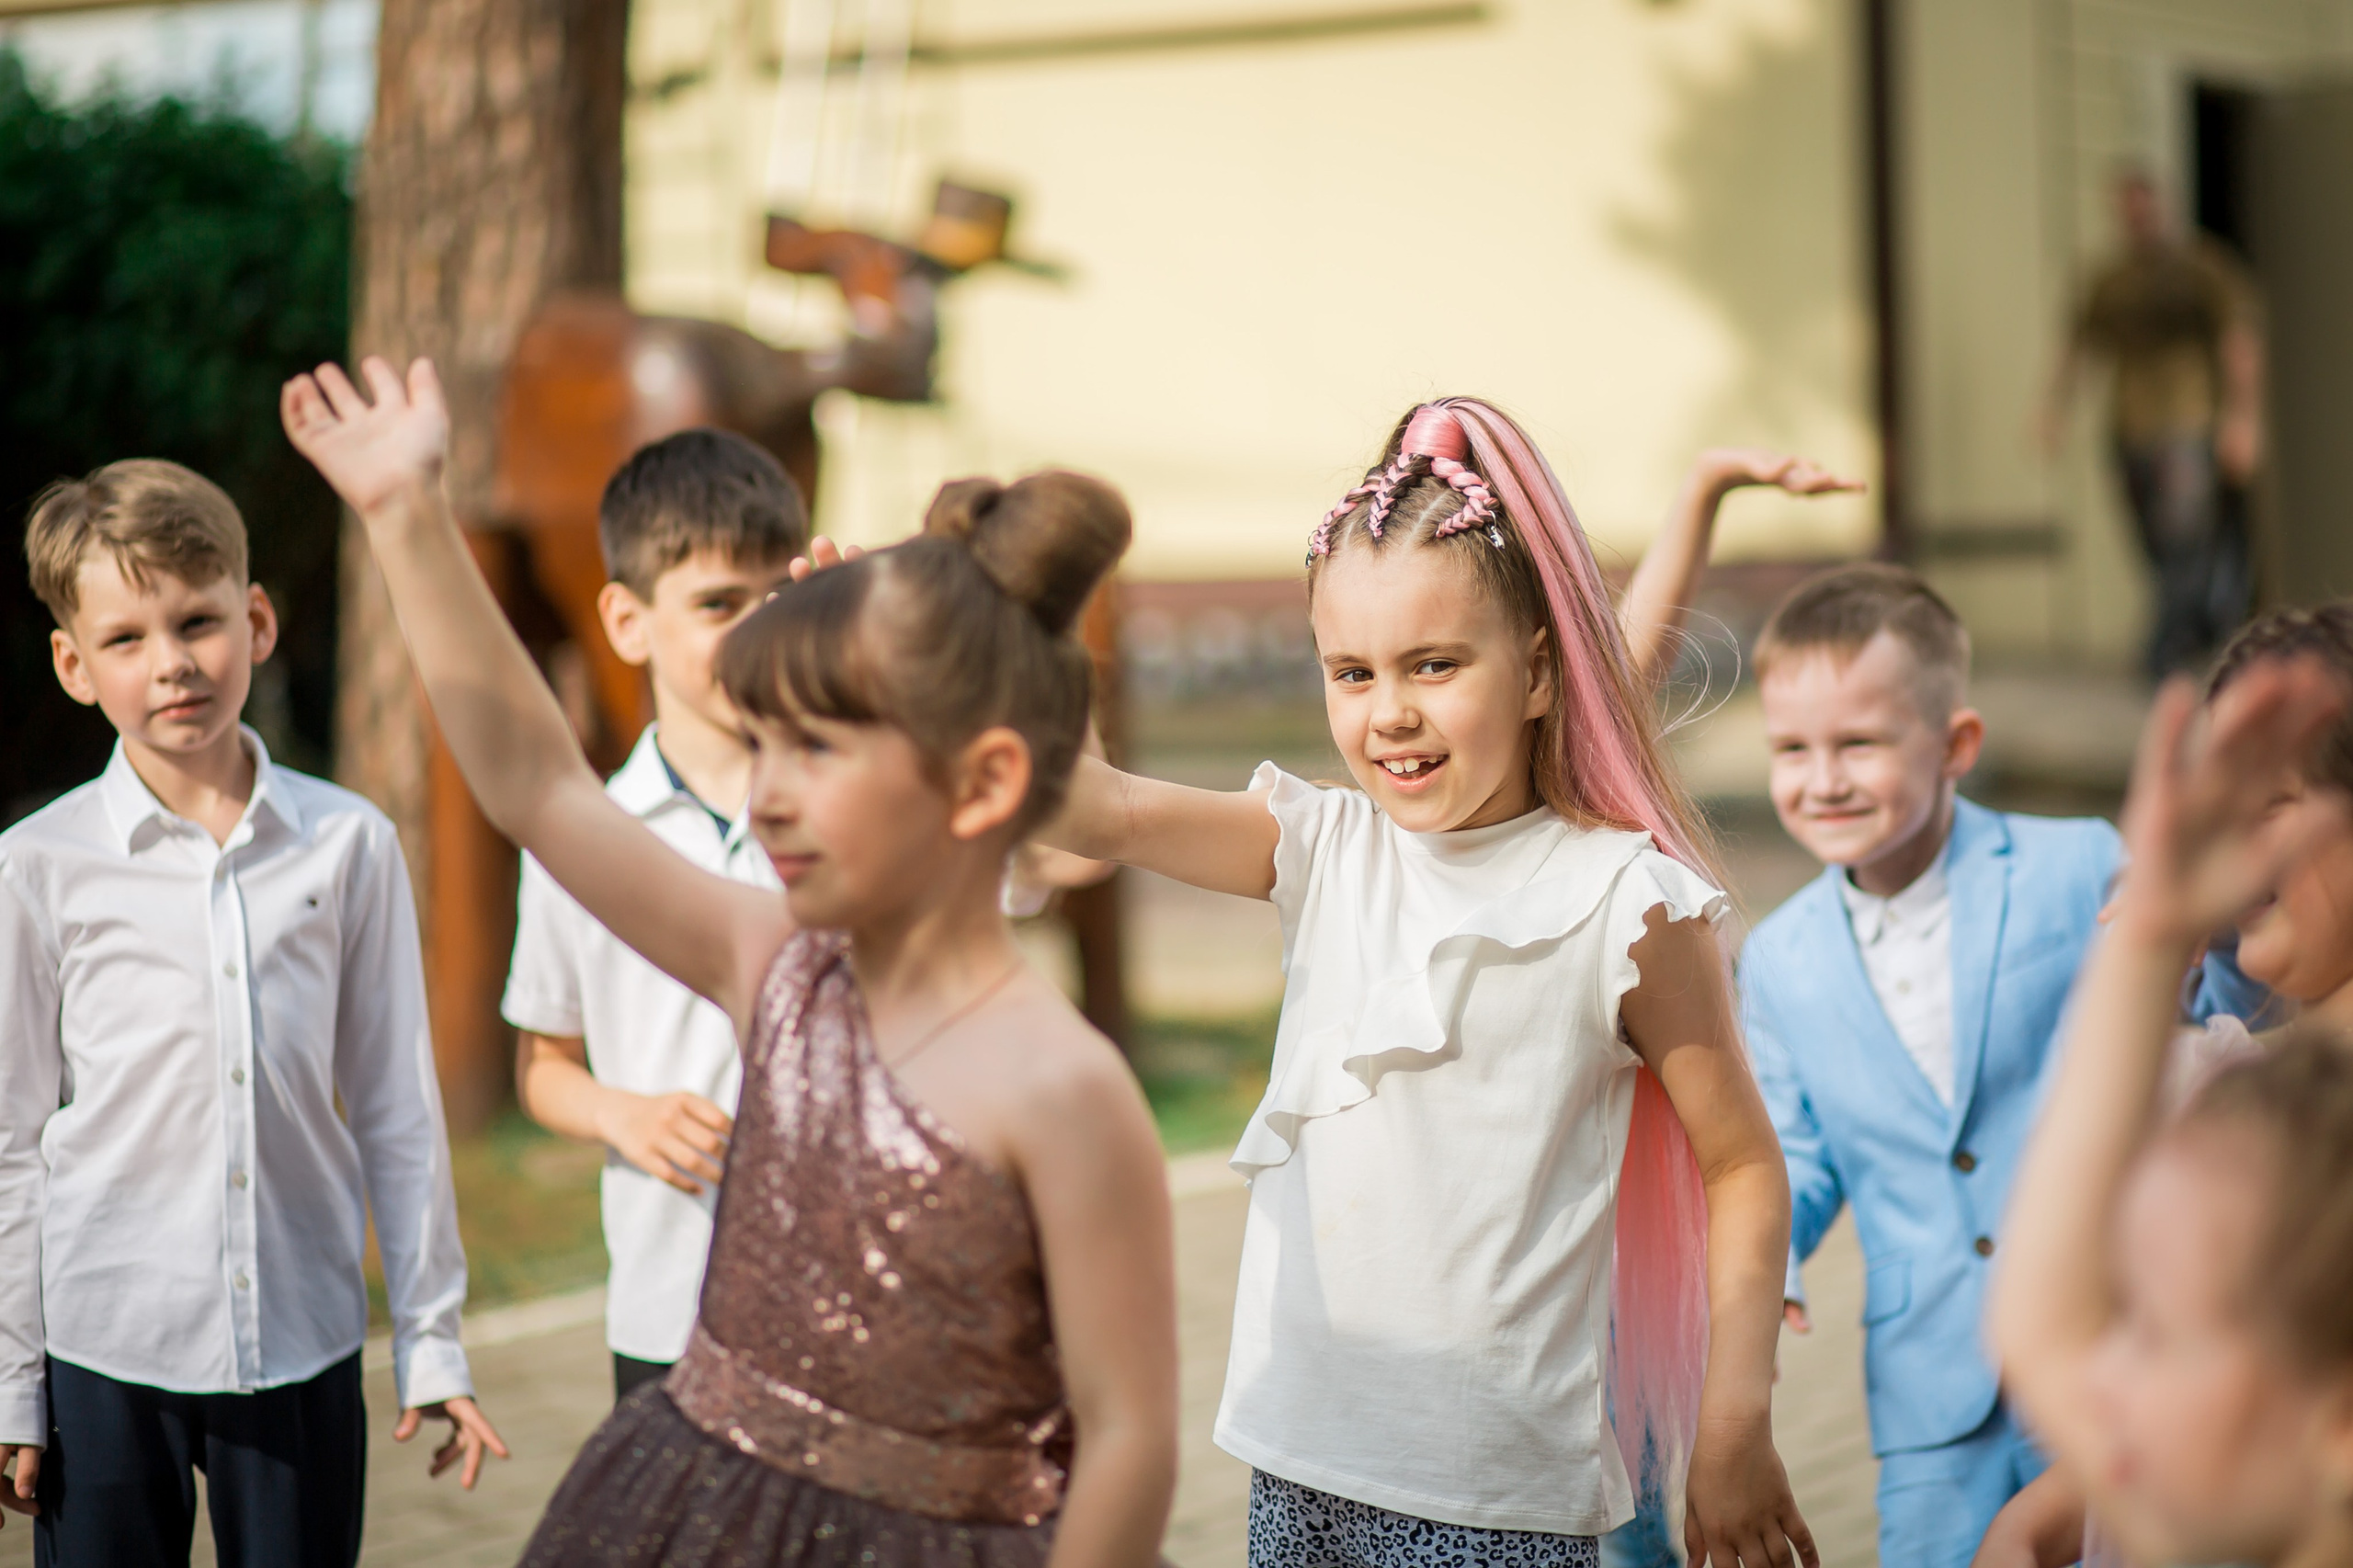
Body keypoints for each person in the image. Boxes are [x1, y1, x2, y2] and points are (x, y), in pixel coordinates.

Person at [282, 356, 1178, 1565]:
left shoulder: (1069, 1090)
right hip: (698, 1516)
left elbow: (1128, 1435)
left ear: (984, 781)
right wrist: (404, 513)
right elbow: (540, 783)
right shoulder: (774, 965)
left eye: (820, 748)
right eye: (768, 744)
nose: (773, 794)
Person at [1039, 398, 1814, 1568]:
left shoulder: (1626, 902)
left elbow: (1744, 1164)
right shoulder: (1321, 847)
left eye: (1434, 664)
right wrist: (901, 652)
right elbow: (1096, 802)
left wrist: (1734, 1420)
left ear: (1541, 673)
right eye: (1349, 672)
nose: (1388, 710)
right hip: (1294, 1467)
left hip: (1495, 1505)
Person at [0, 460, 505, 1565]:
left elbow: (396, 1111)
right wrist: (14, 1387)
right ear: (73, 666)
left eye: (198, 620)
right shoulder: (37, 865)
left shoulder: (350, 841)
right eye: (126, 638)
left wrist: (432, 1342)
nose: (173, 661)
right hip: (104, 1349)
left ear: (257, 619)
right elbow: (11, 1145)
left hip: (302, 1341)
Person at [1737, 563, 2121, 1568]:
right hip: (1927, 1385)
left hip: (2104, 1342)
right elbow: (1792, 1142)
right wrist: (1765, 1256)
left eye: (1857, 742)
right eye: (1791, 748)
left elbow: (2204, 1011)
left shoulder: (2076, 864)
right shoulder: (1778, 956)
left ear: (1955, 745)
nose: (1821, 779)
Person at [1972, 600, 2353, 1568]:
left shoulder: (2286, 1142)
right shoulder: (2222, 1081)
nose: (2102, 1383)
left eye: (2275, 794)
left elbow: (2042, 1329)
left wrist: (2143, 954)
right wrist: (2047, 1512)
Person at [502, 428, 803, 1403]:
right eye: (719, 602)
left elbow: (1049, 866)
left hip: (849, 1307)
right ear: (627, 620)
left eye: (778, 594)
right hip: (668, 1310)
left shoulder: (857, 803)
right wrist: (621, 1113)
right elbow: (543, 1064)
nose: (756, 627)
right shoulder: (583, 835)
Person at [2040, 168, 2266, 677]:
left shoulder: (2202, 266)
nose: (2138, 218)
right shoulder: (2111, 279)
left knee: (2186, 533)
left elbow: (2240, 343)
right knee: (2154, 542)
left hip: (2189, 420)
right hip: (2129, 426)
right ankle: (2191, 630)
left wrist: (2242, 420)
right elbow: (2078, 345)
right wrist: (2053, 411)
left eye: (2146, 206)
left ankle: (2165, 651)